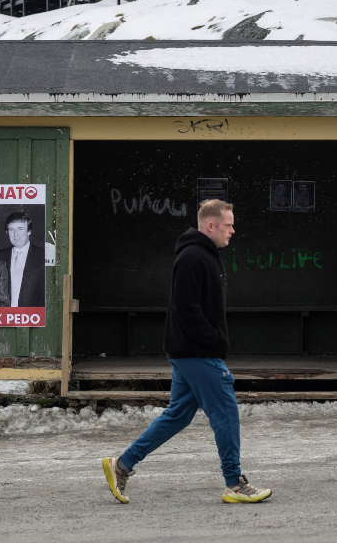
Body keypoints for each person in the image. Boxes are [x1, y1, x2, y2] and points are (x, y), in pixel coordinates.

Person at [102, 199, 272, 505]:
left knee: (178, 415)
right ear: (211, 225)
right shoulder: (194, 257)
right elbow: (186, 309)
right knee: (225, 411)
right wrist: (216, 341)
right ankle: (234, 483)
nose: (233, 230)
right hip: (196, 351)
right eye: (228, 224)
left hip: (188, 350)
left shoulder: (207, 256)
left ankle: (122, 465)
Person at [0, 211, 48, 307]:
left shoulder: (43, 256)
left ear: (29, 231)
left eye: (20, 229)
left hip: (34, 318)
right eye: (11, 230)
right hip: (4, 319)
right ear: (7, 232)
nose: (15, 234)